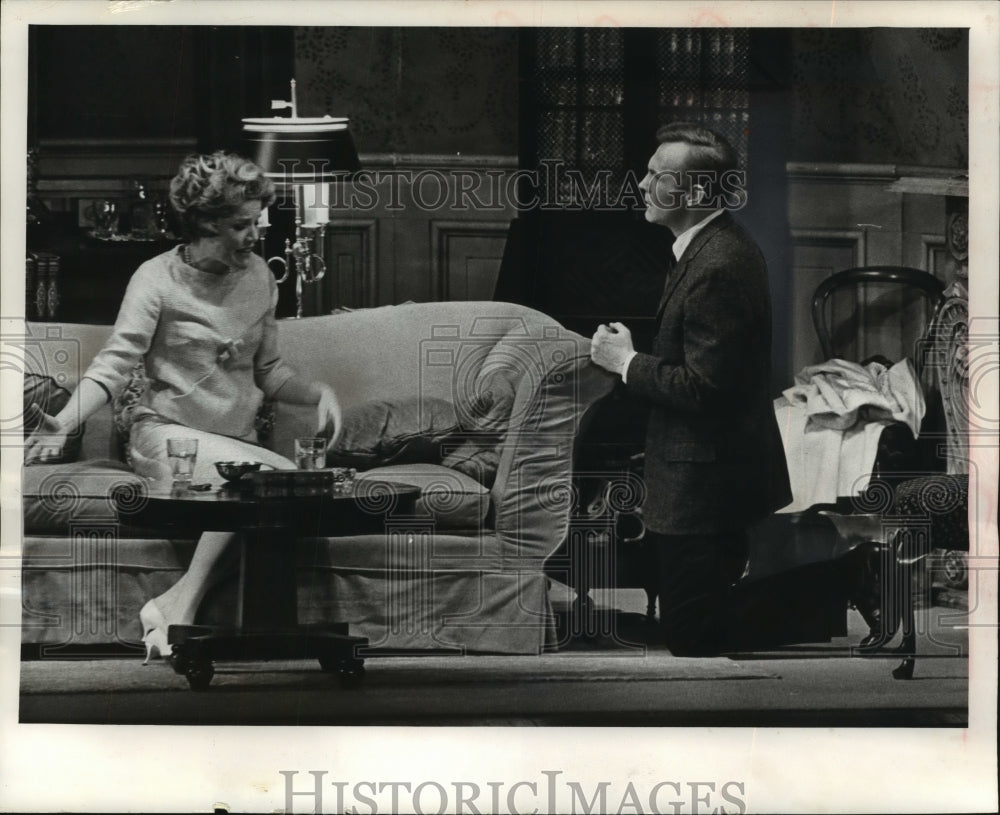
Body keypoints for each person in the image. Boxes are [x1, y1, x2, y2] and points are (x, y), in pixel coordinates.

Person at [24, 151, 342, 662]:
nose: (254, 234)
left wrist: (319, 393)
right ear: (205, 222)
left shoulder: (260, 276)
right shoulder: (157, 279)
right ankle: (182, 612)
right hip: (166, 438)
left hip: (238, 448)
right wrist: (63, 422)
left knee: (284, 487)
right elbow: (114, 364)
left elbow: (270, 371)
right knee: (261, 486)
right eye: (240, 225)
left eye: (256, 221)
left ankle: (170, 604)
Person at [590, 123, 791, 656]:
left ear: (696, 193)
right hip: (697, 475)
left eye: (657, 176)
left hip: (708, 485)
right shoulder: (705, 249)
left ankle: (840, 580)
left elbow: (705, 390)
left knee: (692, 639)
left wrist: (627, 361)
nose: (641, 184)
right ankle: (827, 585)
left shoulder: (719, 264)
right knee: (684, 628)